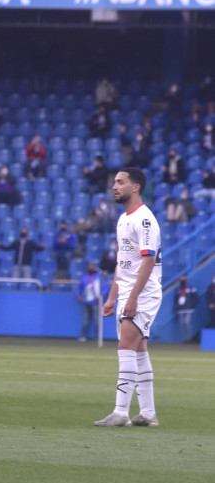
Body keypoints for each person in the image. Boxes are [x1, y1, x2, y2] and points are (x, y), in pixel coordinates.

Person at [95, 167, 161, 428]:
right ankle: (147, 413)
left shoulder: (144, 219)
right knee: (139, 350)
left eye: (121, 182)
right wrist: (113, 296)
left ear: (136, 187)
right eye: (114, 182)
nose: (115, 186)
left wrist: (132, 297)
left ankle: (121, 412)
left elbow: (148, 259)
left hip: (143, 293)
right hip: (129, 292)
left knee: (126, 347)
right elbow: (123, 263)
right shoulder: (123, 219)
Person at [76, 263, 104, 342]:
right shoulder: (84, 278)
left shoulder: (98, 278)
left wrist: (101, 296)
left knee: (96, 320)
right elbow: (79, 288)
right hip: (85, 301)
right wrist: (78, 294)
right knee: (85, 320)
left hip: (95, 301)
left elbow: (105, 288)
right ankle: (83, 336)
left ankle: (96, 337)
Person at [174, 275, 199, 343]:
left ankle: (189, 338)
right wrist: (176, 306)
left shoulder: (191, 288)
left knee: (187, 323)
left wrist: (192, 305)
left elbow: (196, 298)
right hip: (181, 309)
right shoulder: (178, 289)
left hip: (189, 309)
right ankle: (184, 339)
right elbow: (176, 299)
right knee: (182, 324)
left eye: (183, 277)